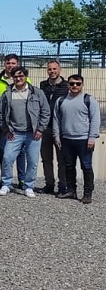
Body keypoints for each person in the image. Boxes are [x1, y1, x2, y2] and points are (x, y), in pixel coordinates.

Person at [0, 67, 50, 198]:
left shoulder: (37, 92)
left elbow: (45, 112)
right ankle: (6, 184)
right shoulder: (7, 93)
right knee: (7, 158)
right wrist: (6, 130)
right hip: (14, 133)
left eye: (21, 76)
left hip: (33, 133)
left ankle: (29, 186)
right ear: (12, 78)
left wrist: (40, 129)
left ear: (26, 76)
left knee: (32, 161)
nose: (18, 79)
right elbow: (0, 113)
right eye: (15, 76)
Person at [54, 74, 100, 204]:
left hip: (84, 140)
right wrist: (57, 136)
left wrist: (92, 138)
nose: (75, 86)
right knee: (68, 166)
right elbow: (56, 119)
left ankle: (87, 193)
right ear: (68, 85)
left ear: (82, 85)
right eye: (72, 83)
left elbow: (95, 119)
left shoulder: (89, 100)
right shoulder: (61, 101)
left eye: (78, 84)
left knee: (86, 166)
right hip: (66, 139)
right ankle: (71, 190)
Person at [0, 54, 28, 188]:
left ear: (17, 63)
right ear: (4, 64)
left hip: (20, 124)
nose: (10, 66)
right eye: (8, 63)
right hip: (4, 123)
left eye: (13, 63)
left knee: (21, 152)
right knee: (4, 152)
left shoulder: (26, 79)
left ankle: (22, 180)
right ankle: (5, 181)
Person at [38, 59, 69, 195]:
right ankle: (49, 184)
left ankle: (63, 186)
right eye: (50, 69)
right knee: (46, 158)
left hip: (60, 128)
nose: (52, 71)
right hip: (45, 127)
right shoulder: (43, 85)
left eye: (54, 69)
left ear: (60, 70)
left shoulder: (67, 86)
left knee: (61, 159)